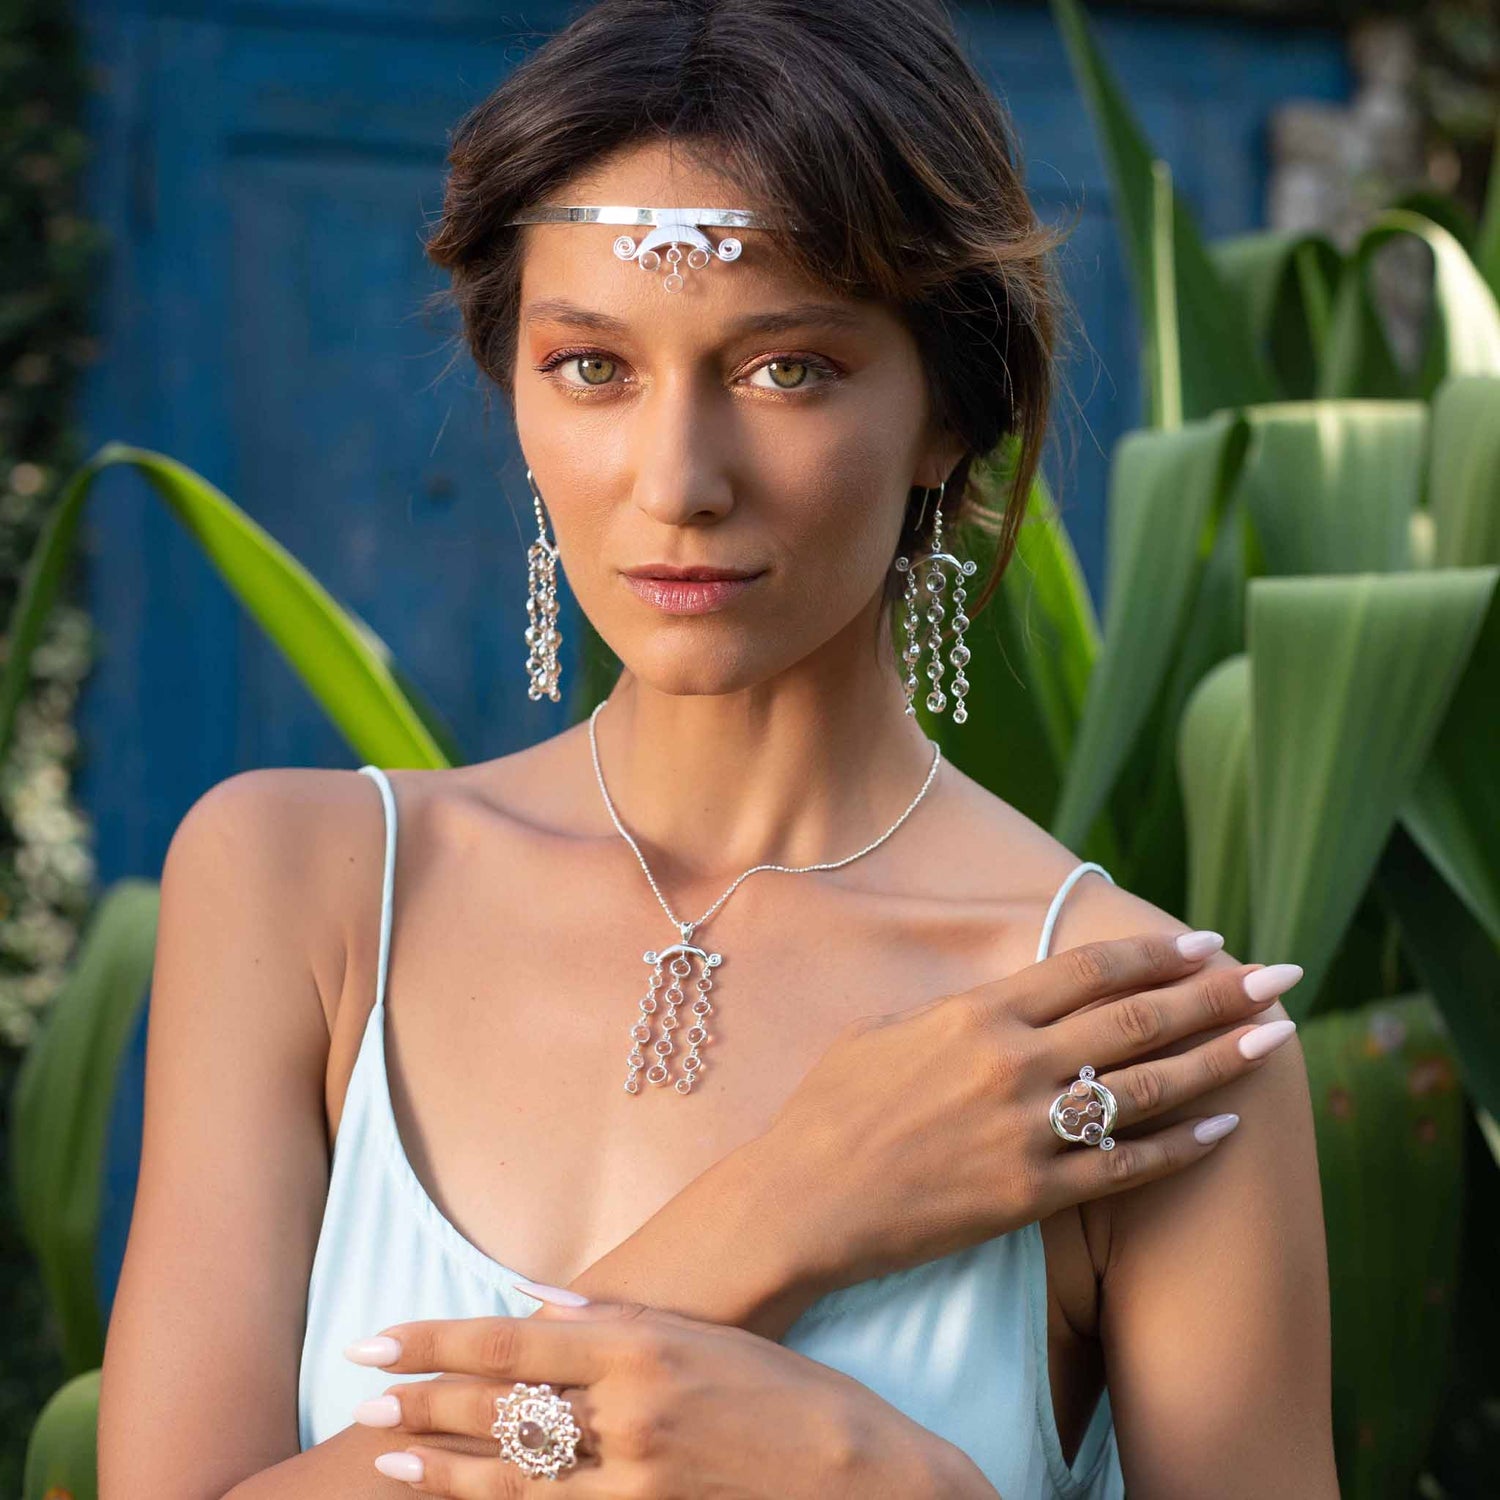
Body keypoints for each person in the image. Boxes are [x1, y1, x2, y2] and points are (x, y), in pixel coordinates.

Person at [98, 1, 1336, 1496]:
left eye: (787, 368)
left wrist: (893, 1484)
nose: (678, 482)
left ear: (952, 409)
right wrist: (785, 1211)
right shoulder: (299, 886)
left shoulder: (1130, 1047)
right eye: (593, 368)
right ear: (515, 393)